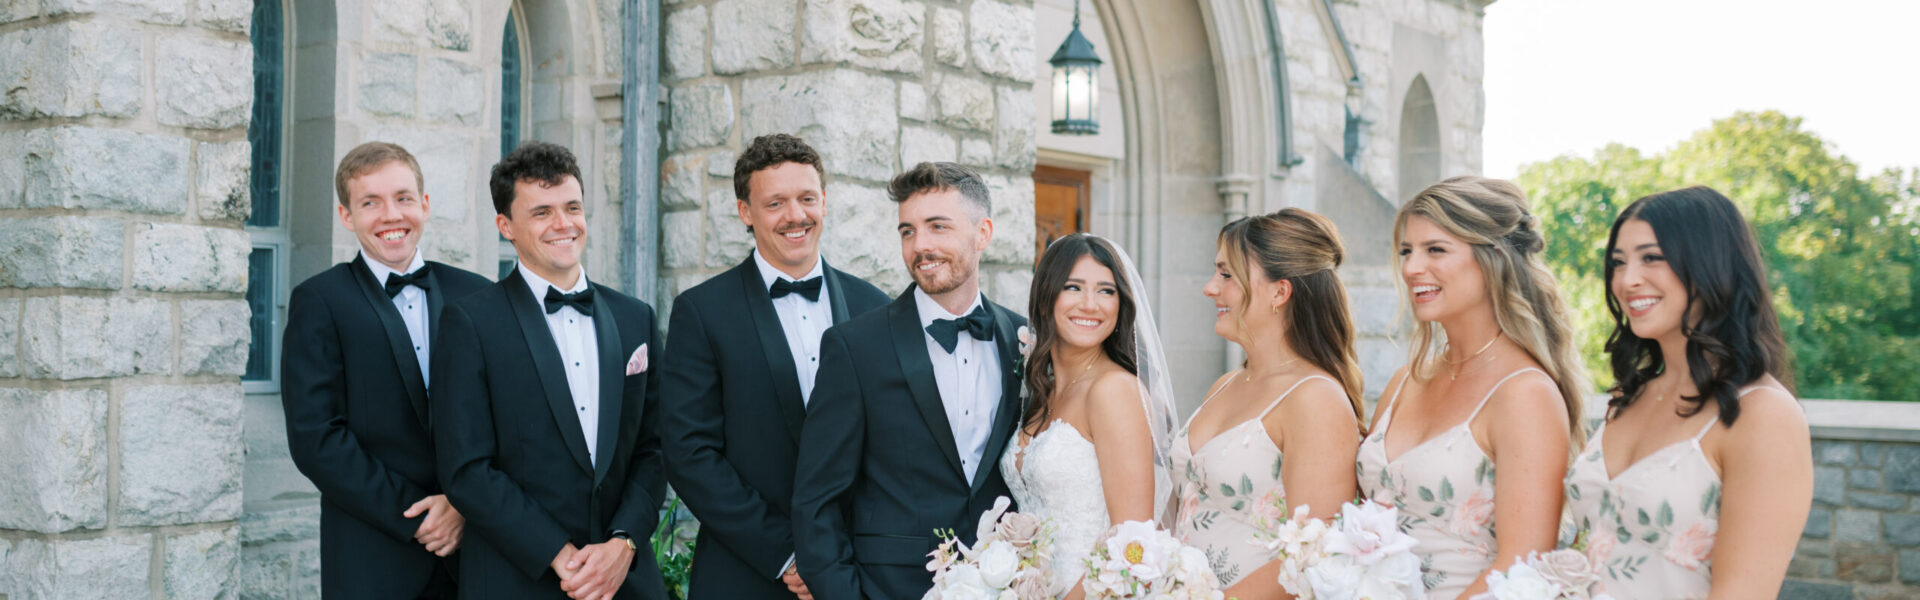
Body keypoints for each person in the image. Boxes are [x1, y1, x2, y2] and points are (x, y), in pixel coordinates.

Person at [432, 142, 667, 600]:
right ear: (507, 227)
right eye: (542, 212)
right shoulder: (470, 323)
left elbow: (655, 449)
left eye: (573, 207)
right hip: (517, 578)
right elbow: (466, 469)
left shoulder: (635, 317)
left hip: (625, 580)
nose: (564, 225)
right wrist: (560, 555)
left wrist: (624, 544)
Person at [661, 133, 889, 600]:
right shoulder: (702, 312)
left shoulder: (875, 308)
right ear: (746, 212)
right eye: (775, 203)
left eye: (807, 198)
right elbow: (689, 453)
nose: (796, 216)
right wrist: (788, 554)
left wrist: (837, 556)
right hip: (746, 573)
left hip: (855, 574)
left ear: (824, 201)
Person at [792, 161, 1027, 599]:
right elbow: (816, 501)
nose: (921, 245)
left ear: (983, 233)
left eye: (938, 227)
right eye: (907, 231)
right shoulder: (855, 347)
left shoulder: (1023, 340)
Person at [1563, 186, 1810, 598]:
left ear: (1711, 264)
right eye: (1618, 263)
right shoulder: (1629, 398)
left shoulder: (1763, 414)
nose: (1628, 279)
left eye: (1652, 258)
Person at [1356, 176, 1588, 599]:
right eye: (1407, 251)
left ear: (1492, 259)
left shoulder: (1524, 394)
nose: (1410, 268)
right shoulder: (1404, 382)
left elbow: (1522, 564)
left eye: (1435, 250)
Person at [281, 141, 490, 599]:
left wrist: (461, 505)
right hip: (372, 557)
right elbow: (317, 439)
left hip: (477, 553)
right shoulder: (320, 301)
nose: (391, 215)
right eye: (370, 202)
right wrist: (415, 517)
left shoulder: (477, 295)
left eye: (403, 198)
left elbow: (504, 420)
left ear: (425, 205)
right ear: (346, 216)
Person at [1173, 208, 1364, 597]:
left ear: (1280, 291)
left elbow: (1312, 558)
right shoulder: (1225, 385)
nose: (1210, 287)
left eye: (1227, 275)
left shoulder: (1315, 398)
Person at [998, 233, 1175, 598]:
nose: (1091, 304)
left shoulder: (1114, 391)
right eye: (1074, 287)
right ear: (1047, 297)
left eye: (1106, 291)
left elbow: (1132, 543)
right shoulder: (1041, 392)